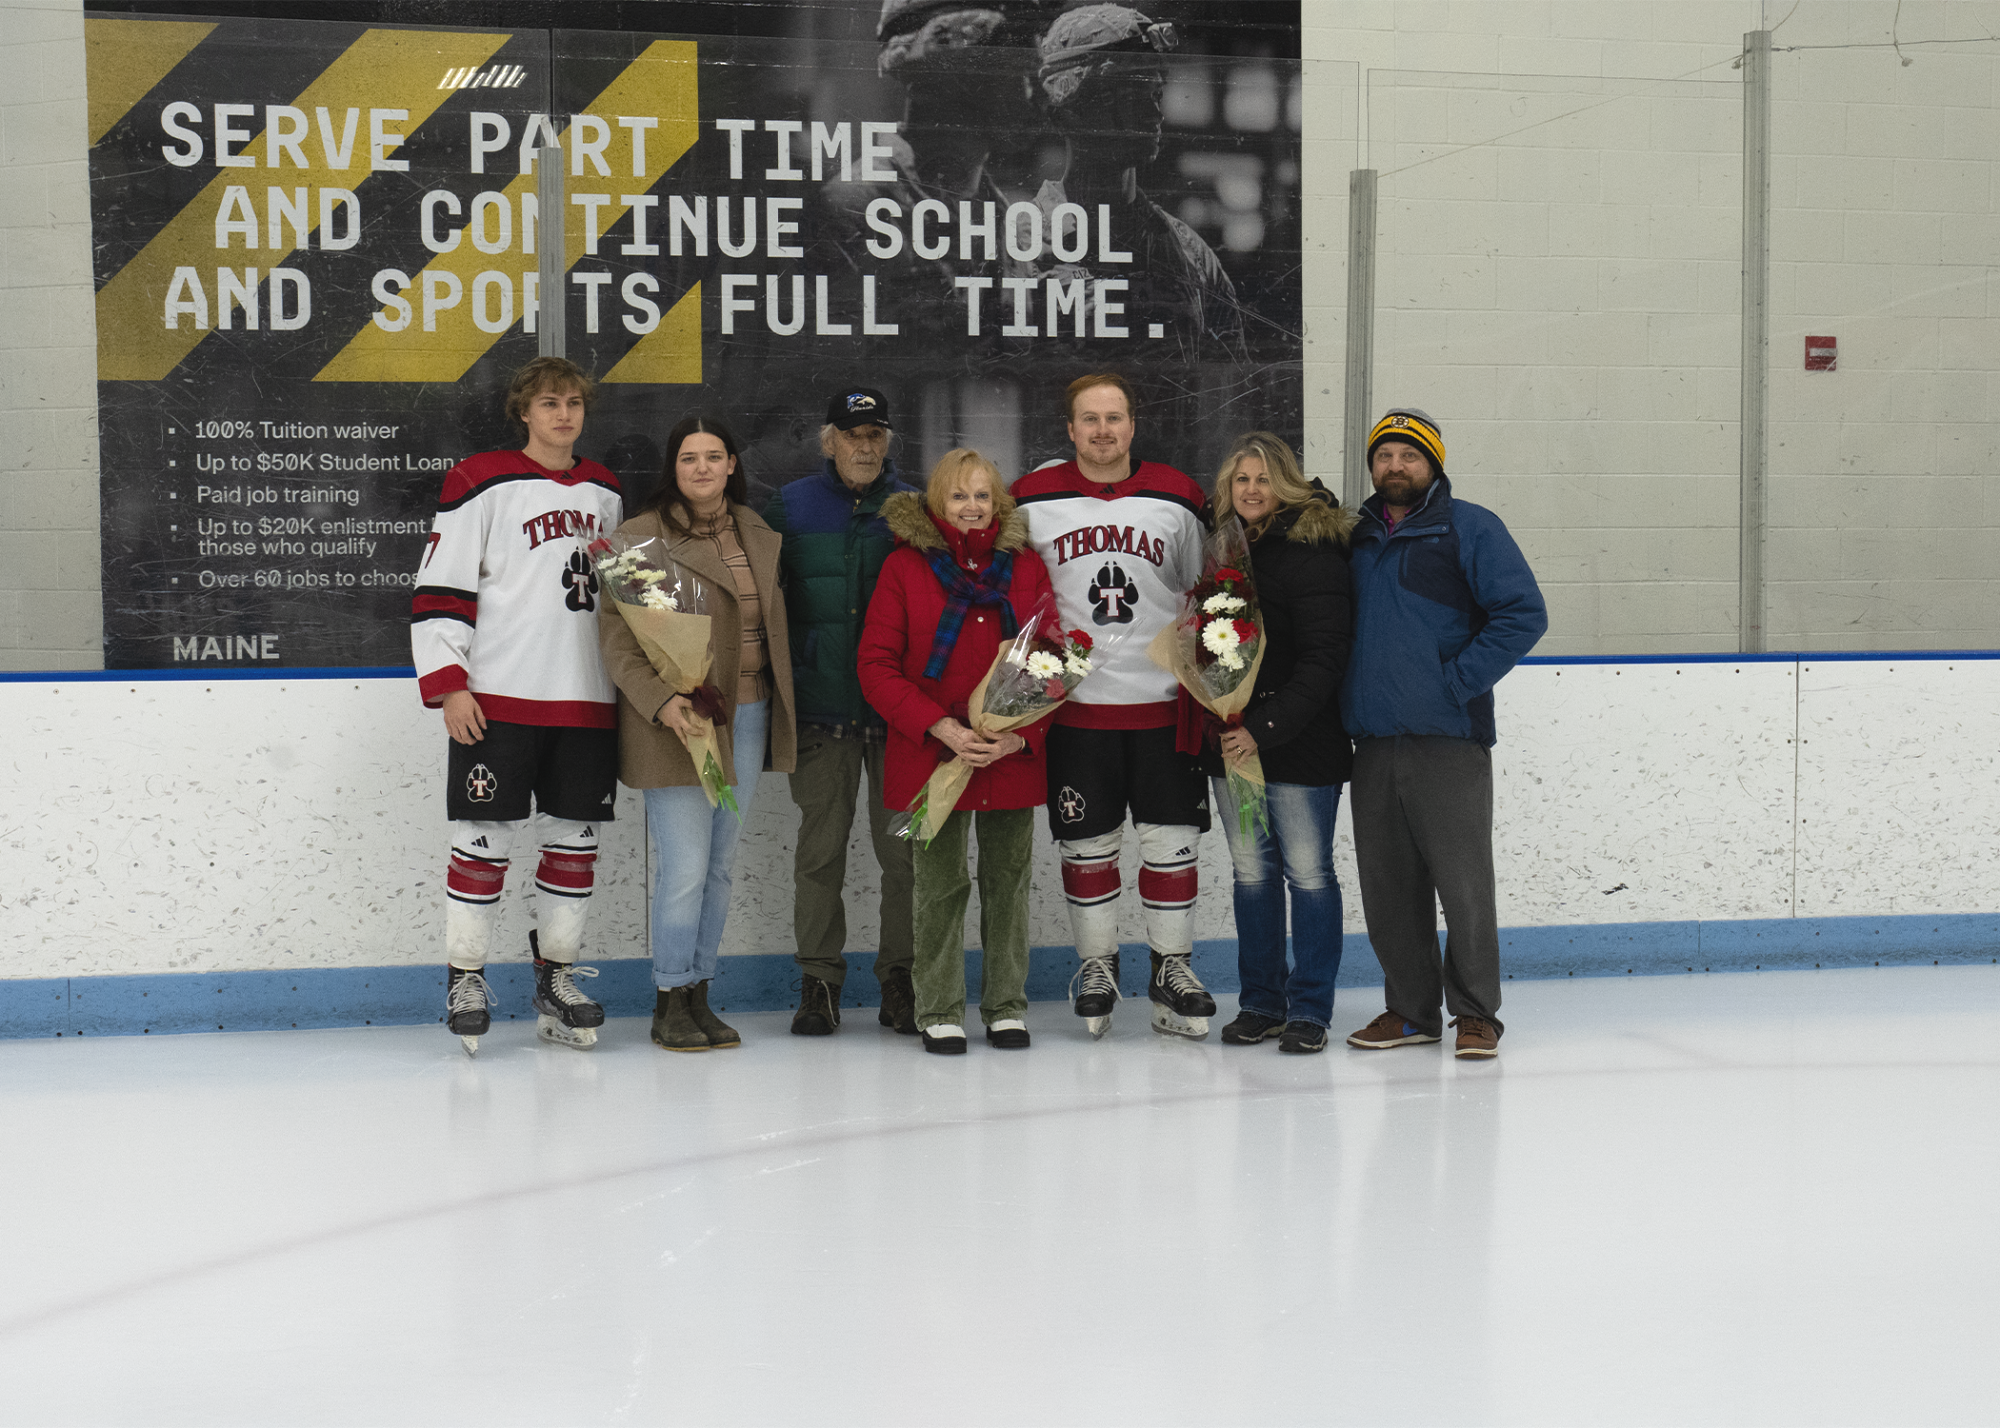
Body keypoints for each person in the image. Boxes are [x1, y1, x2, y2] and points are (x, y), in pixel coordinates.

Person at [411, 356, 622, 1055]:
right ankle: (465, 976)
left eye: (573, 403)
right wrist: (450, 682)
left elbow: (626, 605)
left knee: (574, 845)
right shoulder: (480, 479)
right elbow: (442, 587)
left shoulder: (606, 491)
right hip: (496, 700)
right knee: (482, 842)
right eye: (549, 404)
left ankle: (555, 977)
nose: (564, 415)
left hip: (586, 701)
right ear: (524, 412)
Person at [1011, 372, 1214, 1039]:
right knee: (1087, 847)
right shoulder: (1031, 500)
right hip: (1075, 714)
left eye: (1115, 418)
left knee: (1171, 846)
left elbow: (1200, 593)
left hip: (1162, 709)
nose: (1103, 431)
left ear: (1133, 425)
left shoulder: (1178, 496)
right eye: (1089, 420)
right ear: (1069, 430)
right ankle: (1096, 966)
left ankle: (1170, 967)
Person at [1340, 409, 1547, 1060]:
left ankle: (1477, 1014)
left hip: (1449, 737)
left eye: (1410, 455)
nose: (1395, 466)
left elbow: (1522, 614)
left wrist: (1456, 682)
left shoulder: (1470, 528)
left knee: (1462, 884)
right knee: (1388, 887)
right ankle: (1410, 1011)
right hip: (1372, 741)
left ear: (1433, 463)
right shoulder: (1354, 536)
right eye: (1385, 455)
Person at [600, 415, 798, 1052]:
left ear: (733, 465)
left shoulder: (759, 535)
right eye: (690, 458)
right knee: (684, 869)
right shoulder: (638, 539)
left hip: (747, 718)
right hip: (678, 728)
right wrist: (663, 703)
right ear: (673, 468)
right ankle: (668, 998)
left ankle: (699, 994)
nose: (703, 469)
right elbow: (619, 644)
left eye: (715, 457)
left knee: (718, 869)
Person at [857, 449, 1055, 1054]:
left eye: (983, 495)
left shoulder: (1025, 568)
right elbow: (876, 666)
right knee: (938, 885)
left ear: (999, 502)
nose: (972, 508)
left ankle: (1005, 1005)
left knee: (1008, 881)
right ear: (937, 504)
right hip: (933, 756)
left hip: (1008, 756)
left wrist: (1020, 733)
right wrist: (941, 728)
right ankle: (938, 1005)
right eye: (958, 496)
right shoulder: (904, 568)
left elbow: (1053, 658)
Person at [763, 388, 922, 1037]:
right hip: (821, 712)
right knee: (819, 855)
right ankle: (819, 983)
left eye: (875, 434)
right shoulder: (792, 506)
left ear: (888, 441)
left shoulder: (913, 509)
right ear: (828, 438)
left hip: (898, 721)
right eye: (852, 433)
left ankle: (901, 981)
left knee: (907, 857)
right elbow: (763, 603)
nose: (864, 445)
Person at [1198, 434, 1355, 1054]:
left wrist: (1260, 730)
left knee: (1309, 875)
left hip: (1298, 747)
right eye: (1241, 480)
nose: (1252, 490)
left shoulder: (1315, 551)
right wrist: (1225, 721)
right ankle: (1261, 1002)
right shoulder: (1221, 554)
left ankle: (1309, 1009)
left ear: (1286, 483)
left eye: (1264, 479)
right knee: (1251, 874)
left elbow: (1324, 661)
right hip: (1233, 745)